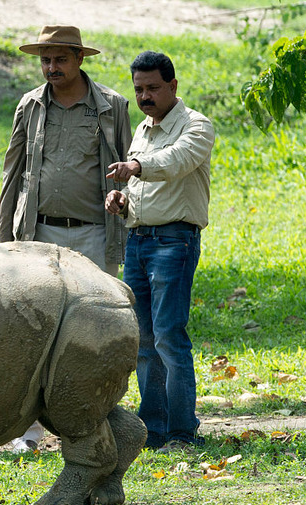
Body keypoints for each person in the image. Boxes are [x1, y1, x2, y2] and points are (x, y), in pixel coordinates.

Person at [0, 25, 133, 454]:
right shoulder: (30, 105)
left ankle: (95, 422)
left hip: (94, 232)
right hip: (38, 231)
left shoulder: (111, 106)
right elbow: (12, 172)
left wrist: (126, 218)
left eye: (60, 59)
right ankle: (31, 432)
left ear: (79, 59)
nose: (51, 68)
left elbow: (129, 167)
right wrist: (6, 239)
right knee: (32, 328)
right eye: (45, 60)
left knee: (93, 330)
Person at [104, 51, 215, 453]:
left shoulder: (197, 126)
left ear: (173, 86)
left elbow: (176, 161)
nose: (145, 96)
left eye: (152, 88)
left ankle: (183, 432)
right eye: (139, 89)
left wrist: (134, 168)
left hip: (175, 241)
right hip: (139, 240)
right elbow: (144, 179)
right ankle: (154, 430)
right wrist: (121, 198)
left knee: (169, 335)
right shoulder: (144, 130)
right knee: (143, 339)